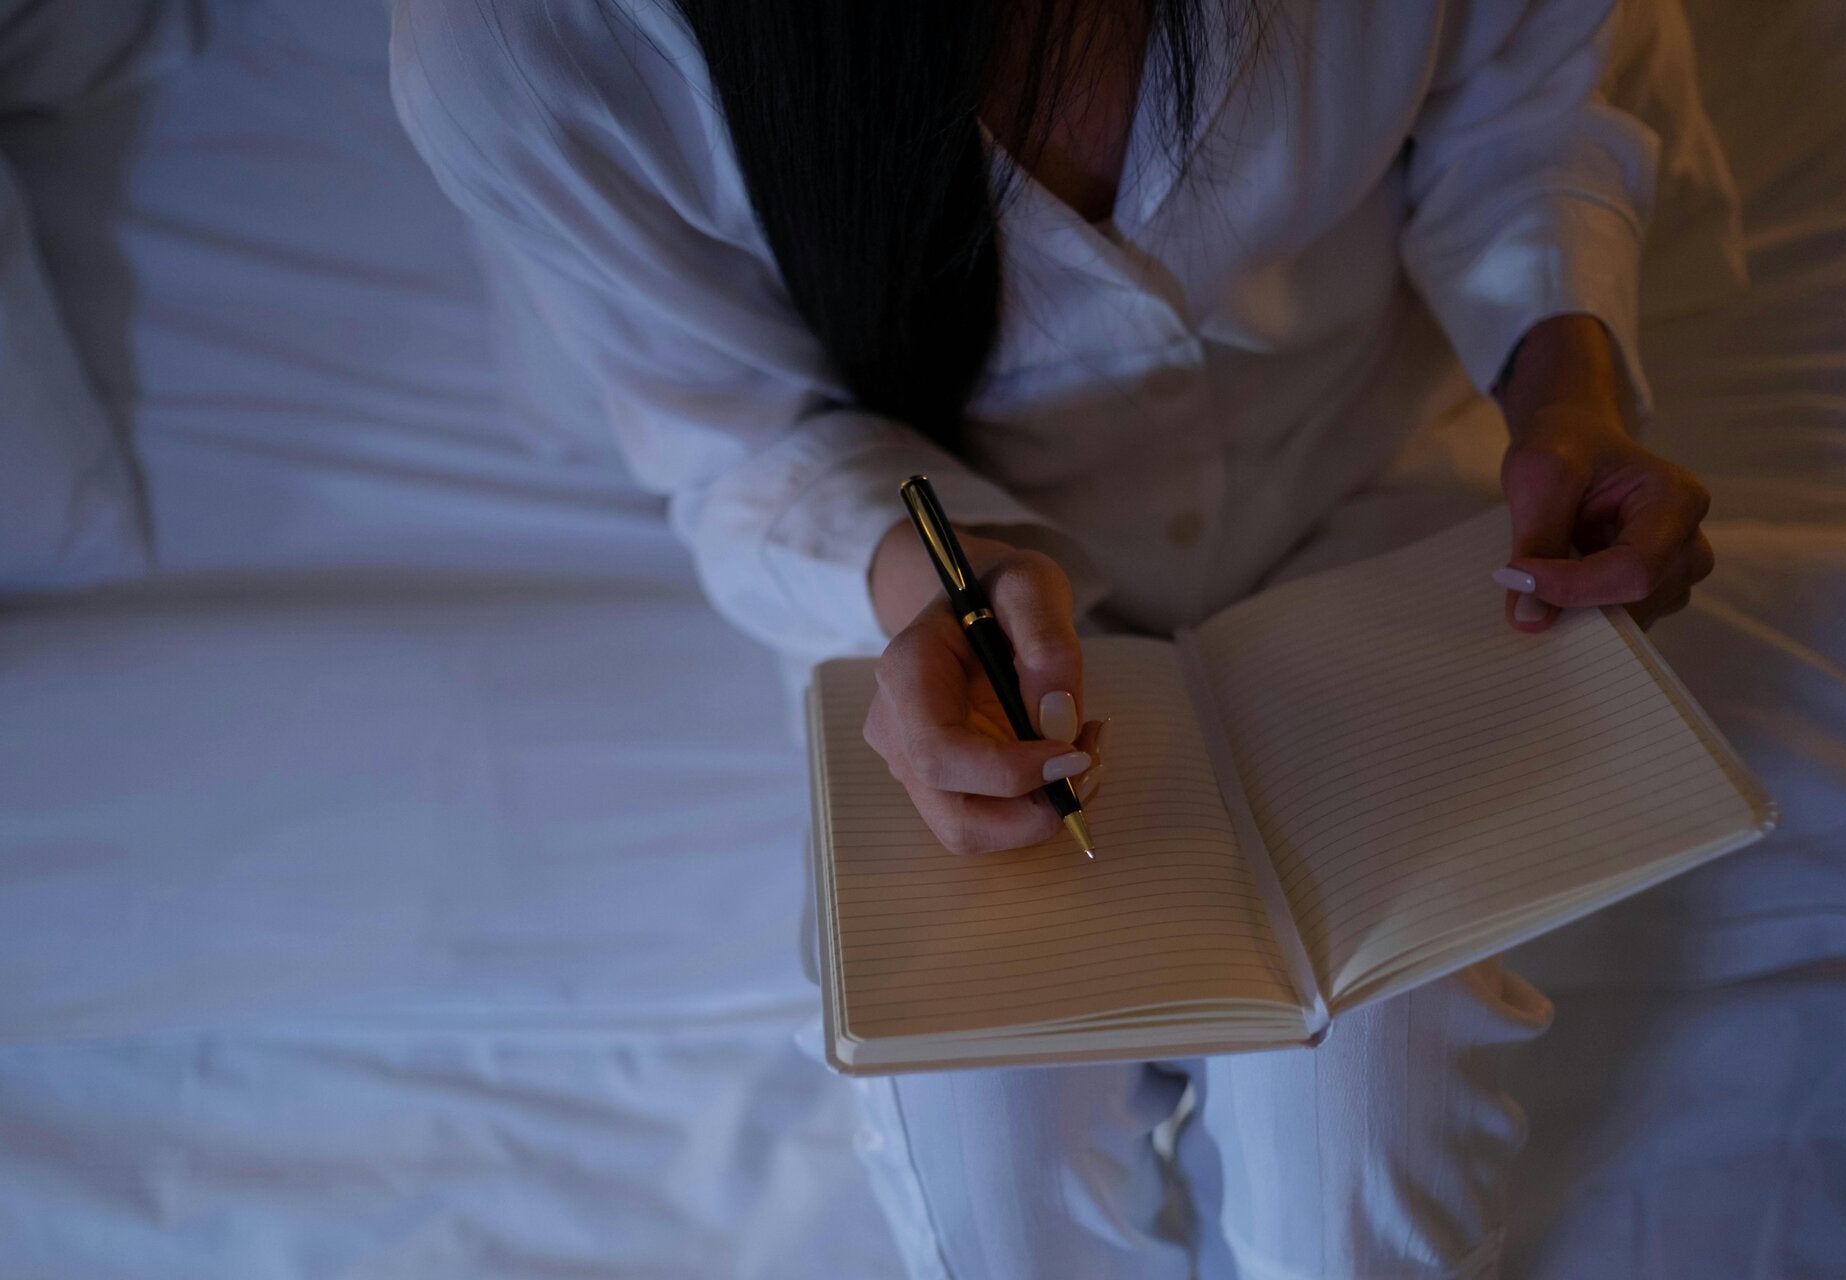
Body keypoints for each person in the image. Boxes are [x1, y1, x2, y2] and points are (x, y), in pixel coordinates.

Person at [389, 0, 1715, 1274]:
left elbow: (1530, 94)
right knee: (994, 1157)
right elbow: (738, 426)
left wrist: (1566, 394)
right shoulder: (525, 40)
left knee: (1374, 1107)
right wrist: (924, 589)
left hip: (1363, 483)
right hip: (949, 608)